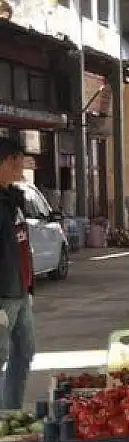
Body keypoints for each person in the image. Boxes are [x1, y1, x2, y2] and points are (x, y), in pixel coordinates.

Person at [0, 137, 35, 410]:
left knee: (24, 351)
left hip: (21, 289)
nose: (22, 167)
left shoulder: (12, 198)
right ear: (8, 160)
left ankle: (10, 413)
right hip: (4, 294)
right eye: (19, 160)